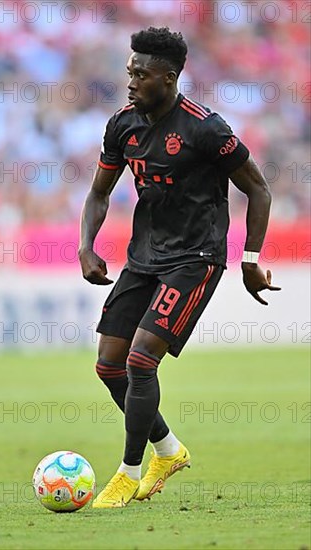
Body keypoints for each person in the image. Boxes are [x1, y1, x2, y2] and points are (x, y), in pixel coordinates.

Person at [78, 27, 281, 509]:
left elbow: (258, 189)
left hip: (196, 257)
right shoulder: (123, 125)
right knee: (109, 365)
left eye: (141, 74)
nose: (130, 81)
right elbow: (98, 193)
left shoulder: (206, 129)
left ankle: (128, 473)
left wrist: (250, 259)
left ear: (168, 79)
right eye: (129, 71)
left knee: (141, 360)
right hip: (144, 256)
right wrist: (85, 245)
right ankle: (168, 449)